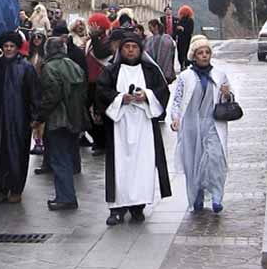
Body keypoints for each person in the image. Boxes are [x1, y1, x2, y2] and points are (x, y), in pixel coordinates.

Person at [96, 33, 171, 225]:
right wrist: (121, 98)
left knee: (141, 166)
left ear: (140, 50)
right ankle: (117, 208)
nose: (130, 50)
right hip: (119, 126)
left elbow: (163, 91)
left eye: (134, 47)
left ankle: (138, 207)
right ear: (121, 50)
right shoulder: (111, 71)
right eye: (127, 47)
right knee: (119, 166)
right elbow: (102, 92)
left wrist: (146, 95)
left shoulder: (151, 71)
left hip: (144, 126)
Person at [0, 31, 42, 204]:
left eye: (11, 46)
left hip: (19, 118)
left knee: (17, 154)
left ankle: (15, 189)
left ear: (17, 47)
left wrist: (35, 116)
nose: (8, 49)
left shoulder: (26, 67)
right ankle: (0, 188)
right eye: (5, 46)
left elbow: (34, 93)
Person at [170, 35, 231, 213]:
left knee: (215, 160)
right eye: (200, 53)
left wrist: (227, 95)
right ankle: (197, 194)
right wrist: (176, 118)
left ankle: (217, 196)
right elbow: (177, 100)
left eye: (207, 52)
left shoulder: (219, 75)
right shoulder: (185, 77)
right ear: (194, 55)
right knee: (194, 162)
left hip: (213, 124)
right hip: (191, 126)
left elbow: (228, 99)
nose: (204, 56)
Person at [38, 38, 89, 211]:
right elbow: (83, 93)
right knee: (67, 157)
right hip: (74, 118)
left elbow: (51, 95)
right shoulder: (74, 66)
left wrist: (39, 116)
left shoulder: (49, 67)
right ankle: (66, 196)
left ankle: (65, 197)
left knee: (59, 159)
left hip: (58, 120)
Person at [86, 13, 112, 156]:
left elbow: (101, 54)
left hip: (101, 82)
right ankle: (97, 139)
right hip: (89, 82)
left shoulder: (108, 41)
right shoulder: (90, 41)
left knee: (100, 114)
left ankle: (102, 142)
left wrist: (95, 37)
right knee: (86, 111)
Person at [145, 19, 177, 84]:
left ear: (156, 26)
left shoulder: (154, 39)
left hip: (158, 71)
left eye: (150, 27)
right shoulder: (168, 38)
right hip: (167, 71)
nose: (149, 30)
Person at [175, 5, 195, 70]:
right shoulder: (180, 20)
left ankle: (184, 64)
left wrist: (183, 29)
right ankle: (183, 64)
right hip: (181, 39)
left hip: (186, 39)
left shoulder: (190, 21)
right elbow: (176, 30)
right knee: (180, 52)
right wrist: (178, 29)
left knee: (183, 52)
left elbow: (190, 31)